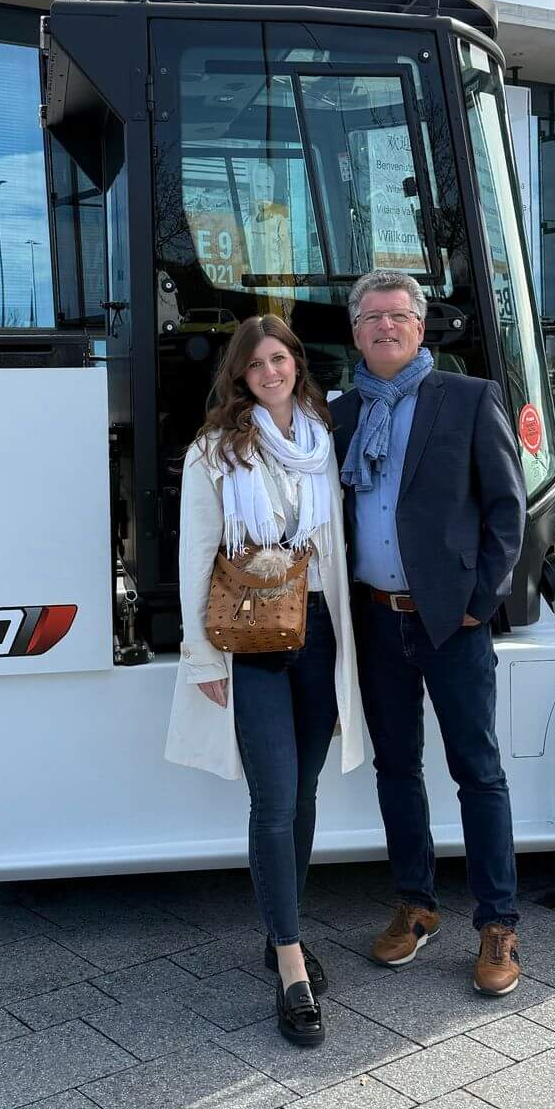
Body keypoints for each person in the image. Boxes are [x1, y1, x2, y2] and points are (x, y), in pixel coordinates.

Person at [166, 315, 363, 1046]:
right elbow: (197, 555)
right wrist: (201, 655)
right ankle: (290, 966)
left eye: (279, 358)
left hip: (317, 633)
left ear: (296, 363)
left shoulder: (325, 436)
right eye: (257, 365)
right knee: (274, 798)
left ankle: (283, 928)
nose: (271, 372)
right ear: (241, 377)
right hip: (248, 641)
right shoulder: (216, 450)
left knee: (305, 793)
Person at [332, 269, 527, 997]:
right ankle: (416, 904)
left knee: (477, 771)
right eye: (371, 317)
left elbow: (506, 510)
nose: (385, 325)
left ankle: (498, 923)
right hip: (377, 621)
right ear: (355, 333)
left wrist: (481, 601)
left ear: (421, 327)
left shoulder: (468, 398)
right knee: (395, 769)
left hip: (452, 623)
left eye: (398, 315)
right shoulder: (343, 414)